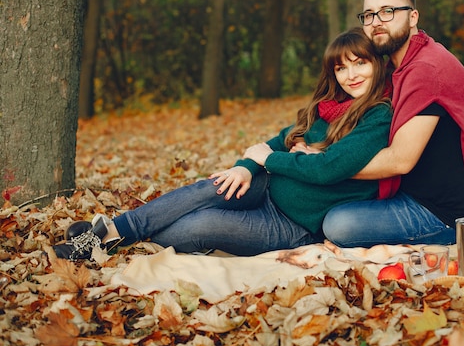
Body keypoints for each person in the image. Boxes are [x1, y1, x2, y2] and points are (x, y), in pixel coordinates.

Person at [53, 27, 393, 260]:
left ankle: (113, 236)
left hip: (295, 225)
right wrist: (247, 167)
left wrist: (268, 159)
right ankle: (108, 233)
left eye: (360, 62)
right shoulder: (327, 108)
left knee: (198, 225)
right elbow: (277, 141)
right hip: (266, 188)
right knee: (212, 187)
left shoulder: (377, 115)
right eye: (340, 68)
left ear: (378, 64)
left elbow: (330, 168)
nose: (351, 75)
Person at [318, 0, 464, 248]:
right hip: (408, 191)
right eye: (369, 15)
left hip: (441, 214)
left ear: (412, 17)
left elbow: (399, 161)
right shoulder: (398, 65)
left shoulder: (426, 70)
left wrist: (323, 164)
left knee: (337, 223)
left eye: (387, 11)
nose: (376, 22)